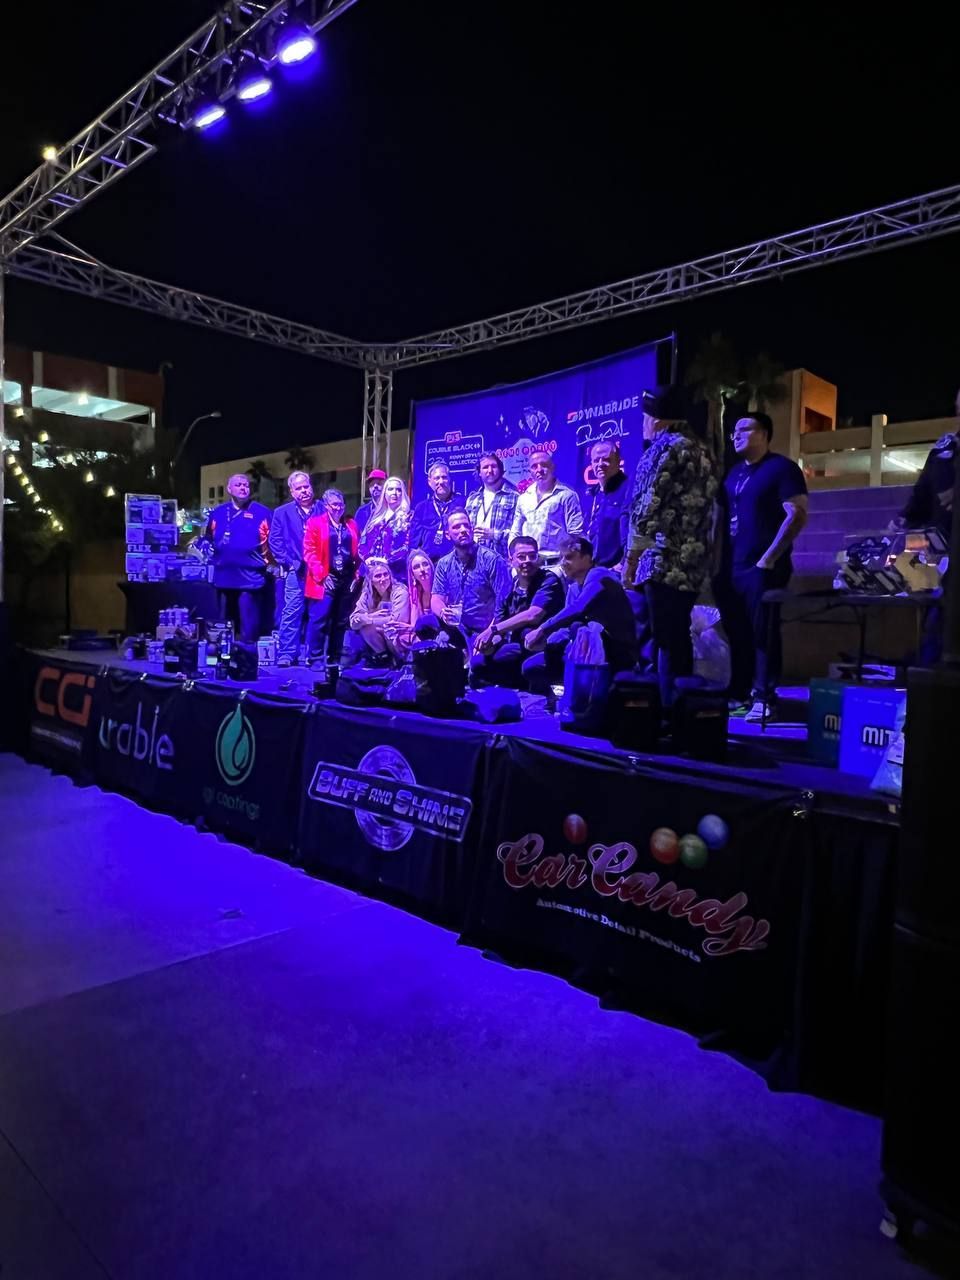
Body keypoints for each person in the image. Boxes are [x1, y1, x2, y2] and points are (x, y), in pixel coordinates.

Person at [623, 386, 717, 708]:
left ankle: (666, 712)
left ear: (656, 420)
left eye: (644, 418)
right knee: (679, 638)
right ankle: (683, 711)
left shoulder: (661, 449)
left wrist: (630, 561)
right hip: (693, 562)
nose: (643, 425)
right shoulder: (702, 451)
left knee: (664, 641)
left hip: (663, 561)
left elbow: (645, 507)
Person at [715, 412, 808, 721]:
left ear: (765, 433)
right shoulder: (733, 474)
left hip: (763, 567)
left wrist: (769, 558)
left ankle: (764, 696)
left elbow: (796, 514)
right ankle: (738, 691)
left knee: (763, 633)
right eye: (734, 431)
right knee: (737, 632)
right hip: (732, 567)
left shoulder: (782, 469)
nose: (737, 435)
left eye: (745, 428)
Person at [893, 387, 960, 664]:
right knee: (937, 626)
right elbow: (923, 492)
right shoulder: (945, 448)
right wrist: (903, 518)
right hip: (942, 558)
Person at [524, 534, 638, 692]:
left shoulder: (600, 575)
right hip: (586, 649)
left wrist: (542, 629)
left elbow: (578, 608)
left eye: (569, 557)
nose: (563, 563)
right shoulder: (574, 588)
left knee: (577, 628)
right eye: (562, 558)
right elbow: (566, 626)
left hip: (615, 651)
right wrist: (546, 640)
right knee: (531, 666)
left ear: (588, 558)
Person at [471, 535, 566, 687]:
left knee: (509, 659)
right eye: (521, 557)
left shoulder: (548, 580)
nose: (527, 560)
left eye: (532, 556)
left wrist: (493, 630)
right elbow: (500, 624)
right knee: (478, 663)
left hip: (545, 644)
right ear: (511, 560)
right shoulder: (509, 586)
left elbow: (533, 615)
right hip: (518, 644)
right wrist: (487, 645)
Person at [204, 473, 272, 643]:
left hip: (250, 579)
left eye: (246, 485)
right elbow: (209, 538)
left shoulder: (262, 512)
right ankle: (225, 659)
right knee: (224, 630)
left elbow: (271, 542)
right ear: (229, 489)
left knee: (248, 632)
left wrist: (272, 564)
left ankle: (247, 657)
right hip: (223, 578)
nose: (243, 488)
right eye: (238, 485)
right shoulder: (218, 513)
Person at [268, 470, 322, 666]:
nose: (303, 491)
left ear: (311, 487)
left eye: (306, 486)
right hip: (296, 570)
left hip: (320, 571)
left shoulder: (323, 509)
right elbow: (275, 542)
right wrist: (290, 563)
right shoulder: (281, 513)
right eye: (298, 488)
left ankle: (314, 655)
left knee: (319, 614)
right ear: (292, 492)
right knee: (292, 611)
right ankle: (287, 653)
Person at [303, 488, 360, 667]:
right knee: (319, 618)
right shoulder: (315, 523)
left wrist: (356, 574)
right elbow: (309, 552)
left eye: (341, 504)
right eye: (334, 505)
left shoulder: (351, 524)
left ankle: (334, 656)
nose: (338, 508)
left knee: (341, 620)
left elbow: (357, 552)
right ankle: (315, 657)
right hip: (325, 577)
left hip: (346, 577)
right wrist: (322, 575)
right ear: (326, 506)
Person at [432, 509, 511, 637]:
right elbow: (436, 599)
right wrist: (443, 613)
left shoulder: (491, 559)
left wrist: (490, 633)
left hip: (489, 628)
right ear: (447, 534)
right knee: (425, 625)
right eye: (457, 527)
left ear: (472, 529)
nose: (463, 530)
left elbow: (503, 604)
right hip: (458, 627)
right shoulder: (444, 563)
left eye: (466, 525)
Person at [510, 449, 583, 566]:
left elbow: (575, 533)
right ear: (530, 471)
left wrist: (569, 562)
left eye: (544, 465)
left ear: (552, 467)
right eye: (534, 466)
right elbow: (516, 531)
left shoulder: (567, 495)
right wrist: (513, 555)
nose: (539, 470)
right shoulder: (523, 498)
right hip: (528, 564)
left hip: (556, 564)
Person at [348, 557, 410, 665]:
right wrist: (369, 618)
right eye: (378, 576)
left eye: (386, 574)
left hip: (400, 633)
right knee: (365, 629)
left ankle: (400, 660)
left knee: (389, 630)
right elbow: (353, 621)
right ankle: (384, 658)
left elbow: (398, 620)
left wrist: (369, 619)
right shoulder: (367, 593)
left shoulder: (400, 591)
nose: (383, 579)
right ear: (371, 580)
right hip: (381, 638)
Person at [586, 440, 632, 570]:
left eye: (606, 460)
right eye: (596, 460)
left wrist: (623, 564)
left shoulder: (628, 490)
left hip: (616, 571)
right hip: (594, 569)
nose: (600, 464)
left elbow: (633, 531)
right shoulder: (591, 495)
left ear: (618, 462)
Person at [464, 453, 518, 558]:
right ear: (479, 472)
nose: (490, 471)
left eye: (493, 466)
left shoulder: (515, 498)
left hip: (502, 559)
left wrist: (494, 534)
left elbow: (519, 534)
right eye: (485, 467)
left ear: (500, 469)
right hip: (475, 560)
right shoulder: (472, 499)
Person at [410, 461, 467, 561]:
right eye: (437, 478)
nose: (441, 482)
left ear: (450, 479)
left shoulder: (462, 503)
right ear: (430, 482)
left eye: (444, 477)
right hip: (428, 564)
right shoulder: (421, 508)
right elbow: (414, 541)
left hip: (456, 561)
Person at [359, 475, 412, 578]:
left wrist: (387, 560)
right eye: (390, 489)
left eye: (398, 490)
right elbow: (363, 541)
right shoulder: (375, 516)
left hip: (396, 574)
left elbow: (408, 545)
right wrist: (366, 557)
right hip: (372, 573)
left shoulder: (409, 516)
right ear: (385, 492)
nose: (394, 493)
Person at [355, 468, 387, 534]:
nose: (375, 486)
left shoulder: (392, 509)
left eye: (379, 483)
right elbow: (356, 535)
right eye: (372, 484)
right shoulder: (362, 511)